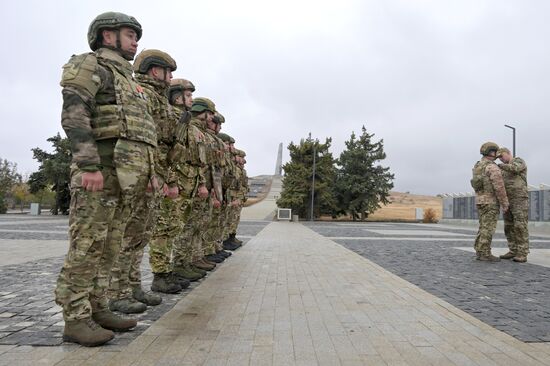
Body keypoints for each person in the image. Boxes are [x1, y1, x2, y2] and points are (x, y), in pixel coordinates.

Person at [55, 12, 157, 346]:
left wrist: (150, 175)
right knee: (87, 246)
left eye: (135, 35)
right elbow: (74, 113)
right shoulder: (90, 65)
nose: (135, 41)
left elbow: (145, 136)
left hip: (126, 178)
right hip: (100, 173)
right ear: (106, 36)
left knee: (110, 246)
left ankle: (98, 307)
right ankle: (75, 318)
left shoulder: (131, 82)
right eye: (129, 34)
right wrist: (88, 166)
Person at [107, 49, 181, 312]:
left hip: (154, 173)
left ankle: (134, 285)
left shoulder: (159, 100)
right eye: (167, 71)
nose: (171, 77)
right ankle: (117, 291)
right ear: (153, 70)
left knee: (141, 235)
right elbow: (148, 140)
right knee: (128, 236)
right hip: (141, 171)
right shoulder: (143, 94)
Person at [471, 142, 509, 262]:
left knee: (483, 226)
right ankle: (485, 253)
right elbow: (499, 187)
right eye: (495, 152)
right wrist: (505, 203)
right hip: (491, 202)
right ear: (491, 152)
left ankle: (479, 250)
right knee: (488, 228)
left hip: (480, 201)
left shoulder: (478, 166)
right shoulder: (492, 167)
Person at [497, 147, 530, 262]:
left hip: (519, 199)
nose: (500, 159)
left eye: (501, 156)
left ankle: (522, 252)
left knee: (520, 226)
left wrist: (500, 166)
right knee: (509, 226)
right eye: (498, 158)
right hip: (507, 200)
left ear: (508, 153)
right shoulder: (502, 169)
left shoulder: (518, 161)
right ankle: (513, 250)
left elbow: (515, 169)